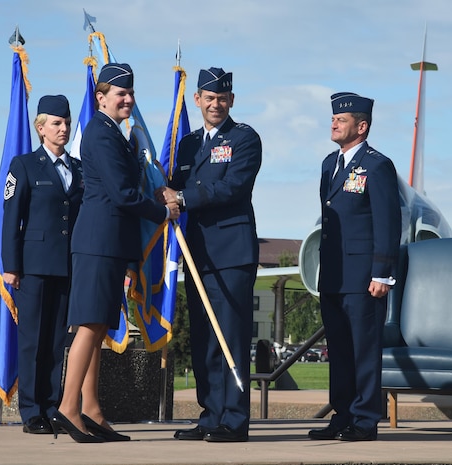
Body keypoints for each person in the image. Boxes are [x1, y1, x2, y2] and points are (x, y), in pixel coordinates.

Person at [52, 63, 181, 443]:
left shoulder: (115, 135)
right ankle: (67, 408)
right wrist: (162, 212)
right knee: (89, 325)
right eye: (119, 94)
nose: (127, 99)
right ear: (101, 98)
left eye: (130, 93)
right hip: (97, 242)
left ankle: (90, 409)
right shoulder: (101, 134)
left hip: (110, 244)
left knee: (99, 327)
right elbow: (122, 194)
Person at [156, 67, 262, 443]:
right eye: (208, 97)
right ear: (197, 100)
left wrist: (182, 197)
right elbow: (171, 187)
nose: (215, 104)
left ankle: (234, 420)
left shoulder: (245, 139)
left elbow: (231, 187)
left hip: (231, 255)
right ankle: (211, 414)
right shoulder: (187, 145)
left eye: (222, 98)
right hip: (197, 254)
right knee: (204, 339)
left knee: (229, 336)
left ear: (231, 101)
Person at [308, 92, 401, 442]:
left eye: (342, 119)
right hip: (333, 274)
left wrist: (382, 273)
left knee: (364, 351)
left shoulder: (377, 165)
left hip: (364, 277)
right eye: (333, 118)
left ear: (361, 126)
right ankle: (342, 415)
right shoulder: (328, 164)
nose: (334, 123)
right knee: (341, 353)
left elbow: (388, 222)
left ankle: (364, 420)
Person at [1, 95, 82, 435]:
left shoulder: (78, 169)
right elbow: (11, 219)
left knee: (55, 343)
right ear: (40, 128)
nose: (63, 129)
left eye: (66, 123)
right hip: (32, 267)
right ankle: (32, 411)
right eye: (56, 123)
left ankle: (52, 408)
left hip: (67, 267)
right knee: (33, 340)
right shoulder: (24, 166)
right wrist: (11, 266)